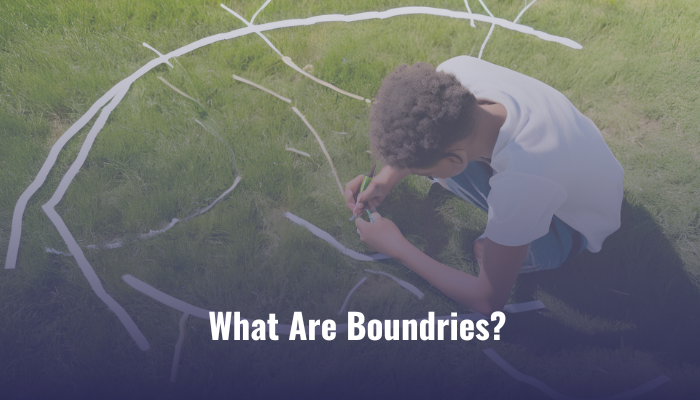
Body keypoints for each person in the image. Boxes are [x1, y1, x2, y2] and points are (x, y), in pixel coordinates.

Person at [345, 57, 623, 315]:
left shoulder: (525, 178)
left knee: (486, 252)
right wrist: (384, 180)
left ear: (456, 158)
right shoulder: (456, 76)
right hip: (576, 166)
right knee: (453, 178)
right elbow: (432, 132)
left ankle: (548, 245)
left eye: (421, 171)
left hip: (573, 223)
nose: (410, 173)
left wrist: (397, 247)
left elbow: (487, 300)